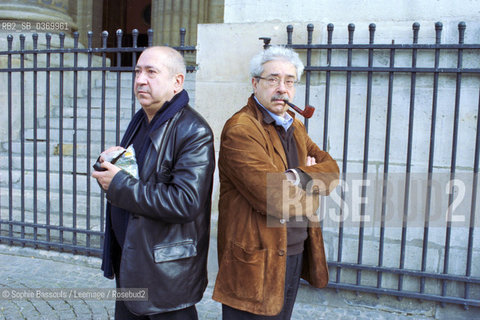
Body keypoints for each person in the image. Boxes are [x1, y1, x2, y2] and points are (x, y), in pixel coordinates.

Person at [212, 45, 339, 319]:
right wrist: (313, 185)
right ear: (255, 83)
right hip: (255, 260)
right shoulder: (241, 129)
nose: (282, 88)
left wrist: (295, 176)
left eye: (289, 81)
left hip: (293, 251)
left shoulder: (294, 124)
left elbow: (333, 173)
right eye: (273, 79)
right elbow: (274, 198)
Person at [92, 46, 215, 320]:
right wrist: (114, 164)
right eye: (137, 71)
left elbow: (185, 202)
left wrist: (119, 184)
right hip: (132, 264)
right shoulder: (143, 118)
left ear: (177, 82)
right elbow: (142, 175)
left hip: (166, 278)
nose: (140, 80)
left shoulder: (194, 130)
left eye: (151, 72)